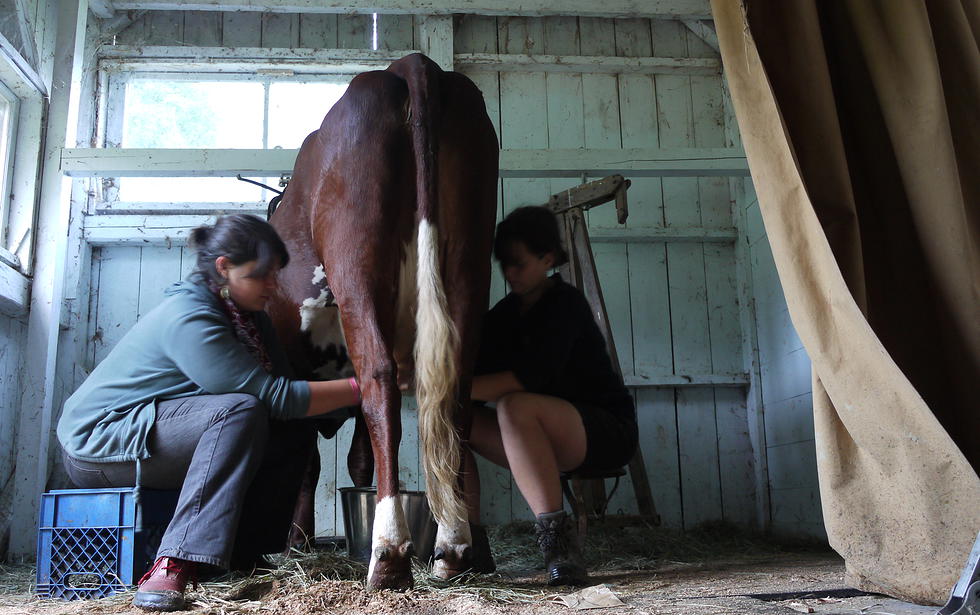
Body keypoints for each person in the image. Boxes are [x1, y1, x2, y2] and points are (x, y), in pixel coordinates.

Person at [56, 214, 359, 612]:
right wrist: (367, 386)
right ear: (224, 268)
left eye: (275, 275)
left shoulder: (251, 319)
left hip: (158, 432)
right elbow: (273, 396)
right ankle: (174, 562)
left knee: (292, 426)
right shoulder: (190, 314)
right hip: (101, 442)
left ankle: (244, 557)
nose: (273, 286)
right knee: (239, 411)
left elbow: (288, 404)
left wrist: (355, 394)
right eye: (261, 275)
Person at [464, 205, 638, 586]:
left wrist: (452, 387)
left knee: (514, 404)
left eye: (519, 264)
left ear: (547, 258)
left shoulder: (566, 304)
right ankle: (467, 544)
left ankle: (559, 548)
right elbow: (472, 369)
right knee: (451, 417)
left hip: (603, 430)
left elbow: (530, 377)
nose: (509, 274)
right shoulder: (505, 316)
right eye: (504, 265)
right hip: (536, 437)